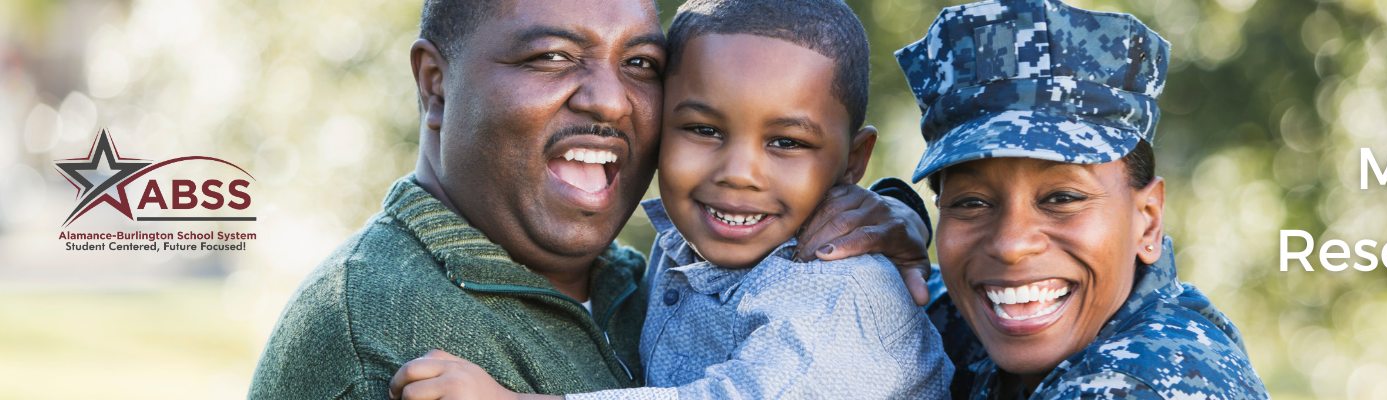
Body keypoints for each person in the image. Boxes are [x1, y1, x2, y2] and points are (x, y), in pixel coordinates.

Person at [246, 0, 936, 398]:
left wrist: (895, 213)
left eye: (640, 64)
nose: (610, 98)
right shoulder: (384, 335)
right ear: (434, 84)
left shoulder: (647, 276)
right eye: (550, 55)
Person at [899, 0, 1271, 398]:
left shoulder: (1129, 385)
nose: (1011, 245)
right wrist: (888, 215)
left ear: (1147, 220)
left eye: (1061, 197)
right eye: (972, 203)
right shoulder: (1036, 315)